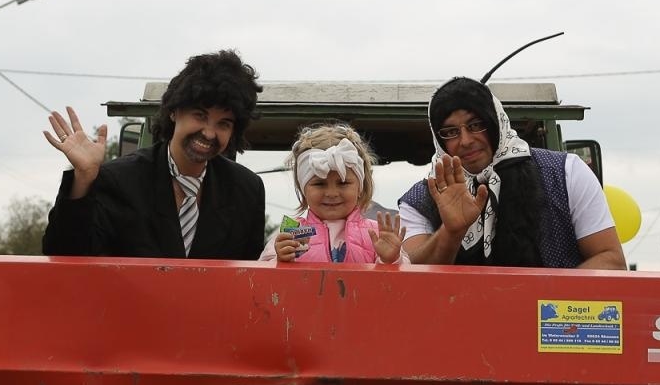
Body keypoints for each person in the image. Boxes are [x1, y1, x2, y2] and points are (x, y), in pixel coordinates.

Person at [41, 49, 265, 259]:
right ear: (174, 112)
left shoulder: (246, 190)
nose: (208, 132)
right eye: (200, 116)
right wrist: (83, 178)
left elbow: (250, 275)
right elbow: (65, 254)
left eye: (223, 124)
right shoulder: (120, 180)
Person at [397, 76, 626, 269]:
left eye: (476, 125)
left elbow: (611, 261)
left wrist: (539, 304)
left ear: (496, 121)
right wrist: (451, 232)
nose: (465, 140)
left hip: (549, 321)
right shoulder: (421, 198)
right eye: (451, 131)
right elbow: (413, 278)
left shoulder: (566, 173)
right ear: (438, 139)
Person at [261, 123, 407, 265]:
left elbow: (405, 282)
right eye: (319, 184)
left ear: (360, 187)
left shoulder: (378, 234)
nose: (331, 193)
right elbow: (260, 280)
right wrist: (279, 261)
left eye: (343, 183)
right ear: (303, 190)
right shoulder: (289, 235)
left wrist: (391, 260)